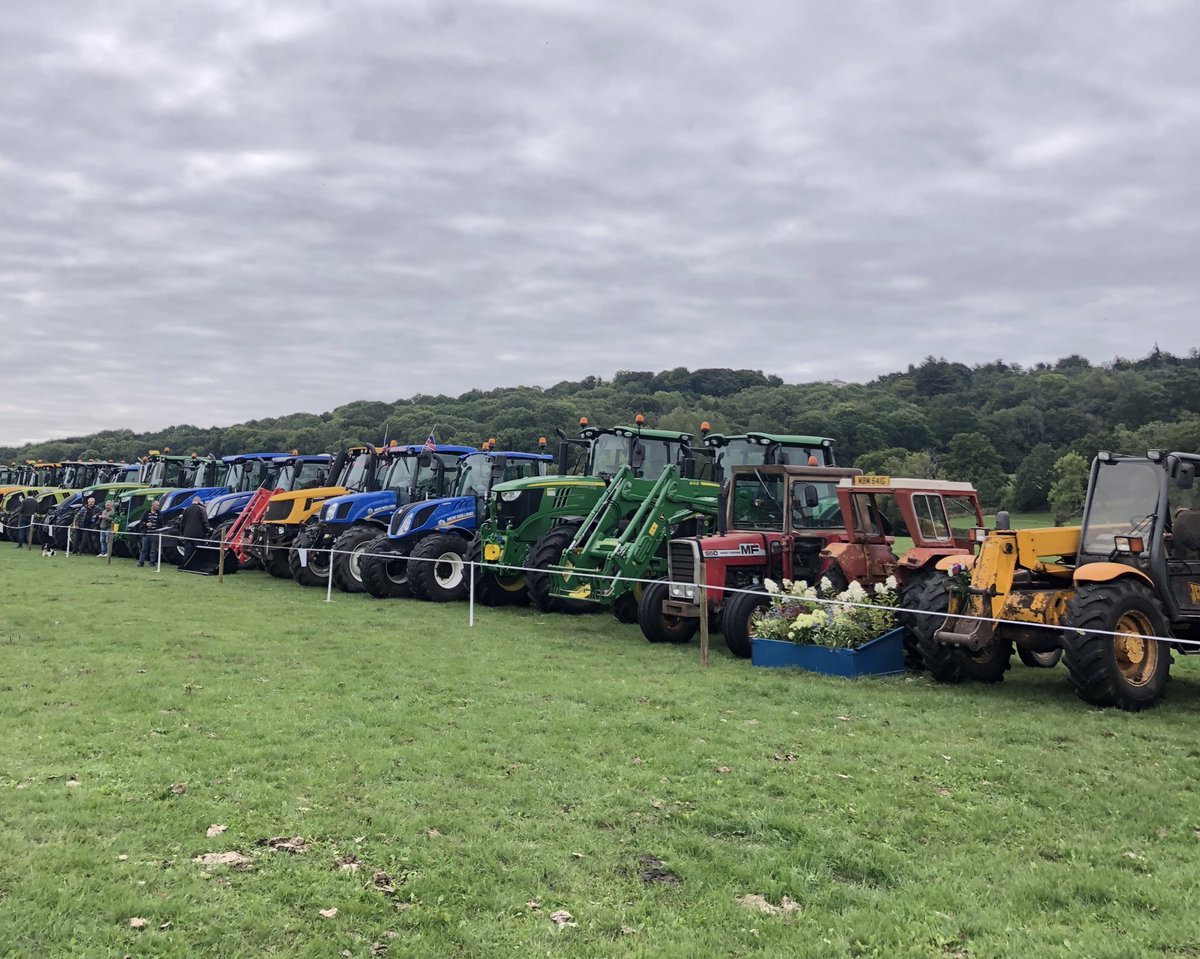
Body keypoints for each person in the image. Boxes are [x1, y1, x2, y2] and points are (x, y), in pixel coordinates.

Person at [179, 496, 211, 568]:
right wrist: (208, 530)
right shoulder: (201, 509)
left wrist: (183, 532)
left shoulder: (186, 509)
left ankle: (186, 565)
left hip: (187, 534)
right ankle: (197, 566)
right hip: (198, 535)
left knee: (187, 551)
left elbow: (182, 523)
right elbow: (205, 521)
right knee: (198, 551)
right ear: (199, 501)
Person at [139, 500, 163, 567]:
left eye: (158, 505)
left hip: (154, 534)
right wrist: (146, 524)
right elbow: (141, 522)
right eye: (157, 505)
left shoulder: (159, 514)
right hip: (146, 534)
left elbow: (161, 524)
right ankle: (141, 562)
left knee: (153, 550)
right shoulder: (146, 513)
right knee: (144, 549)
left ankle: (152, 562)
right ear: (153, 505)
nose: (158, 507)